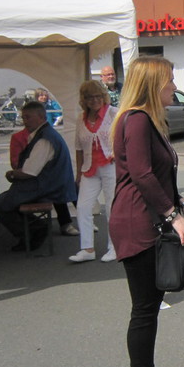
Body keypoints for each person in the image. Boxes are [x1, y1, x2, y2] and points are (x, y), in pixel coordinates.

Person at [110, 56, 184, 367]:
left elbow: (159, 175)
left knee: (149, 305)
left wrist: (182, 203)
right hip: (137, 222)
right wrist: (173, 217)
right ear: (152, 84)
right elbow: (142, 175)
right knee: (145, 310)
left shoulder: (147, 120)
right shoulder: (136, 119)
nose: (174, 86)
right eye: (170, 80)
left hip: (147, 218)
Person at [0, 101, 77, 251]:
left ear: (41, 117)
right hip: (50, 184)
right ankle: (36, 228)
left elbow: (29, 172)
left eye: (28, 117)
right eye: (23, 117)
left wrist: (11, 174)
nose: (25, 121)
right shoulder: (46, 134)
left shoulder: (44, 139)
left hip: (47, 187)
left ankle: (33, 232)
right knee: (6, 200)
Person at [69, 80, 118, 263]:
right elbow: (78, 147)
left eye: (98, 96)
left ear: (104, 97)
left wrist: (117, 153)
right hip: (89, 168)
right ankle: (87, 248)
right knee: (83, 207)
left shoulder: (113, 113)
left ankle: (114, 247)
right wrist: (78, 173)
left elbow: (124, 137)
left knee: (112, 207)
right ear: (84, 99)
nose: (95, 100)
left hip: (111, 167)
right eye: (90, 97)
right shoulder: (81, 119)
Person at [10, 125, 78, 237]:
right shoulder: (18, 137)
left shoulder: (48, 136)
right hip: (31, 177)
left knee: (67, 183)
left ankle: (83, 219)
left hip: (46, 175)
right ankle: (65, 223)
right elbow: (15, 163)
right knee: (57, 186)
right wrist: (31, 165)